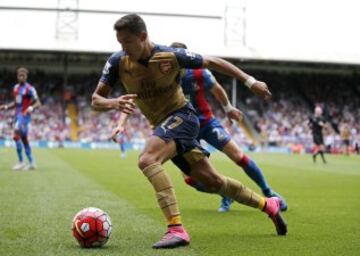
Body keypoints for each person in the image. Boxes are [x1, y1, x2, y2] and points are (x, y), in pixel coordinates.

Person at [92, 14, 287, 249]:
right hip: (163, 126)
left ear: (142, 37)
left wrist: (249, 81)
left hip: (183, 117)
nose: (123, 48)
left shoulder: (169, 56)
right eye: (120, 43)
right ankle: (269, 205)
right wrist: (113, 103)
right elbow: (96, 99)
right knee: (212, 181)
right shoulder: (116, 63)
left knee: (147, 159)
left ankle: (176, 229)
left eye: (127, 42)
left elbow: (213, 62)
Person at [169, 42, 287, 212]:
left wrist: (228, 108)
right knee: (190, 179)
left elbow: (216, 89)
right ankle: (226, 194)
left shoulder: (199, 72)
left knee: (239, 156)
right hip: (186, 130)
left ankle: (269, 192)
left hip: (206, 123)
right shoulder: (164, 78)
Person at [0, 67, 41, 170]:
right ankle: (32, 162)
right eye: (19, 75)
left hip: (24, 116)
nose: (21, 77)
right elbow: (16, 103)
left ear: (26, 77)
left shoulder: (30, 89)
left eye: (23, 75)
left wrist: (32, 107)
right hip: (18, 115)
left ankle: (21, 162)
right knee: (24, 139)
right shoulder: (16, 88)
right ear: (17, 76)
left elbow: (38, 103)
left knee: (16, 134)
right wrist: (5, 107)